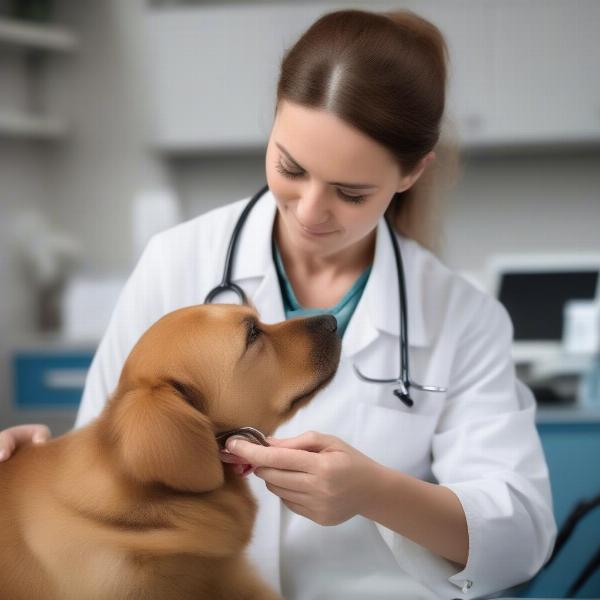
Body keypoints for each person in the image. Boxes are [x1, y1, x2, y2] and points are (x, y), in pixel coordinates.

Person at [0, 8, 555, 599]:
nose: (311, 210)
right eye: (291, 167)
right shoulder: (178, 260)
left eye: (350, 192)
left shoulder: (463, 317)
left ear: (412, 174)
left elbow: (518, 535)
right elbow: (111, 457)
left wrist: (375, 494)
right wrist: (33, 475)